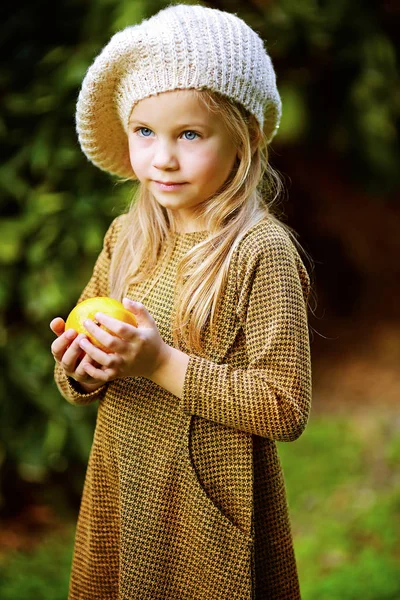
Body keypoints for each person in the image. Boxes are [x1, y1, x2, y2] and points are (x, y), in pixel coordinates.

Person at [50, 4, 312, 599]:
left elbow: (284, 405)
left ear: (242, 138)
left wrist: (160, 362)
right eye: (145, 132)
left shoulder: (260, 252)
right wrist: (80, 363)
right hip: (126, 485)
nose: (162, 158)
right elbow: (86, 373)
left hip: (211, 508)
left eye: (189, 134)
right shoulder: (129, 236)